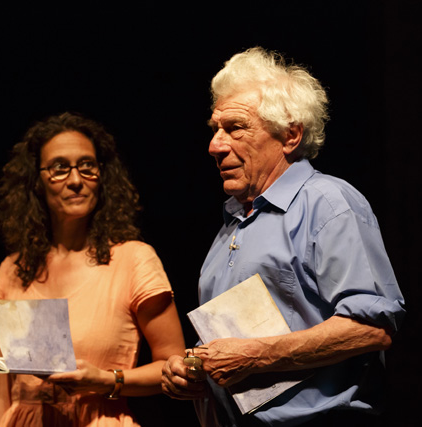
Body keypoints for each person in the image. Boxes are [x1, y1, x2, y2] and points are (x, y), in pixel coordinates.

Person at [161, 47, 406, 426]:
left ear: (290, 135)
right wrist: (192, 367)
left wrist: (254, 356)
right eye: (215, 130)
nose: (215, 146)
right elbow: (237, 343)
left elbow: (371, 328)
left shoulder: (328, 203)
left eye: (235, 128)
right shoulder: (233, 222)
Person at [0, 112, 186, 426]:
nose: (75, 180)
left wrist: (107, 381)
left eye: (87, 165)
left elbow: (173, 364)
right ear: (37, 181)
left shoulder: (132, 259)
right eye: (59, 168)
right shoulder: (14, 269)